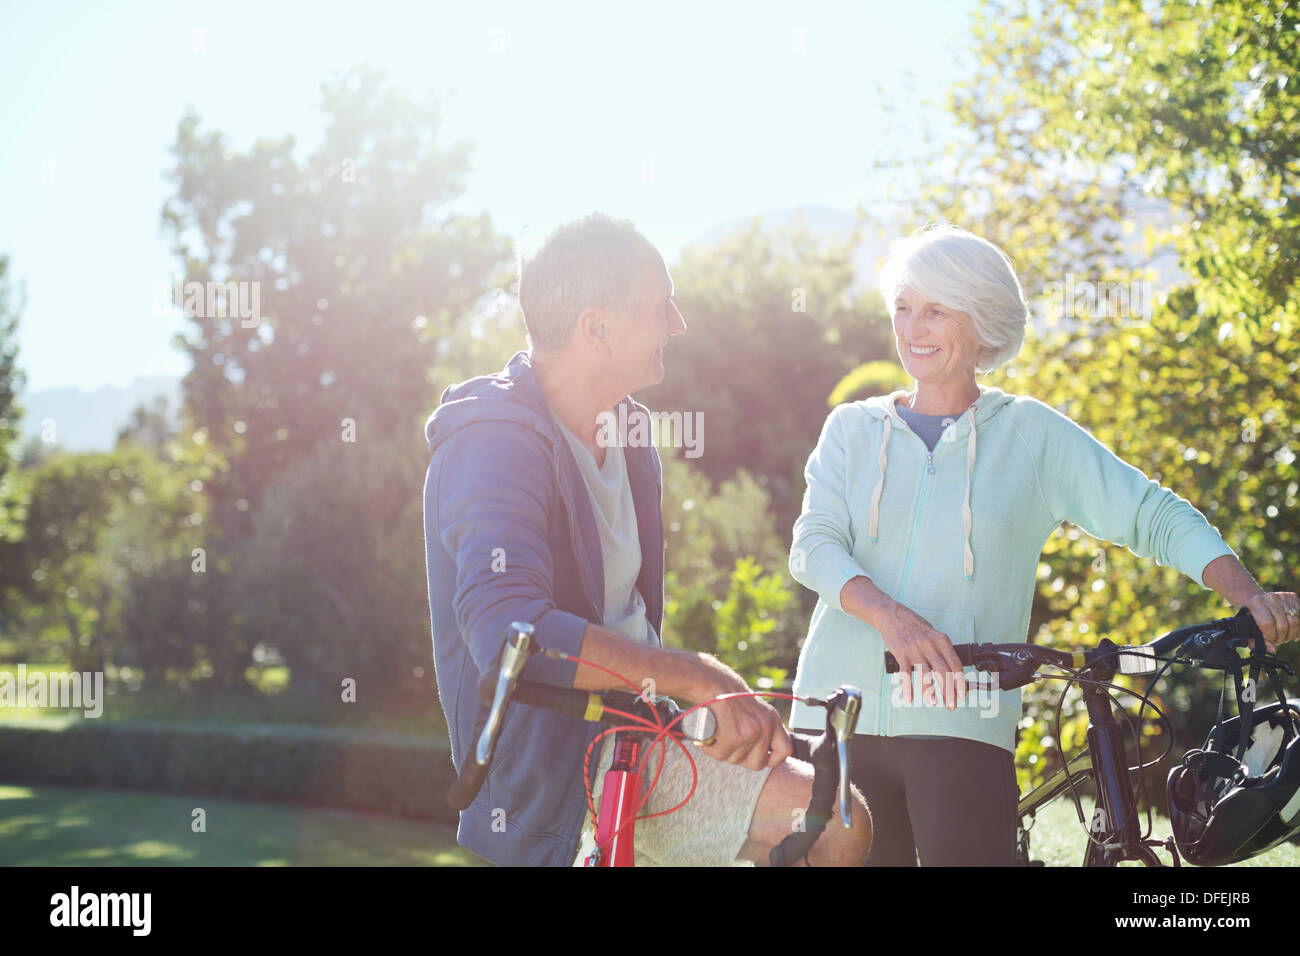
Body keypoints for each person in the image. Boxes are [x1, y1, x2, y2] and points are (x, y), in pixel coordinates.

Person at [787, 223, 1300, 866]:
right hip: (835, 720)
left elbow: (1151, 513)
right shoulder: (851, 430)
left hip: (962, 722)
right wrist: (891, 618)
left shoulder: (1030, 435)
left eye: (936, 310)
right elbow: (813, 543)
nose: (912, 328)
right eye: (903, 308)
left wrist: (1249, 595)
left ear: (983, 322)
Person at [423, 212, 870, 867]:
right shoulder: (491, 441)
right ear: (597, 328)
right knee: (833, 822)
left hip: (645, 723)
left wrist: (697, 698)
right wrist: (694, 676)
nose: (678, 324)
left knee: (836, 814)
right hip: (563, 755)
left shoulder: (633, 437)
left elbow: (628, 622)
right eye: (662, 307)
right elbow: (507, 631)